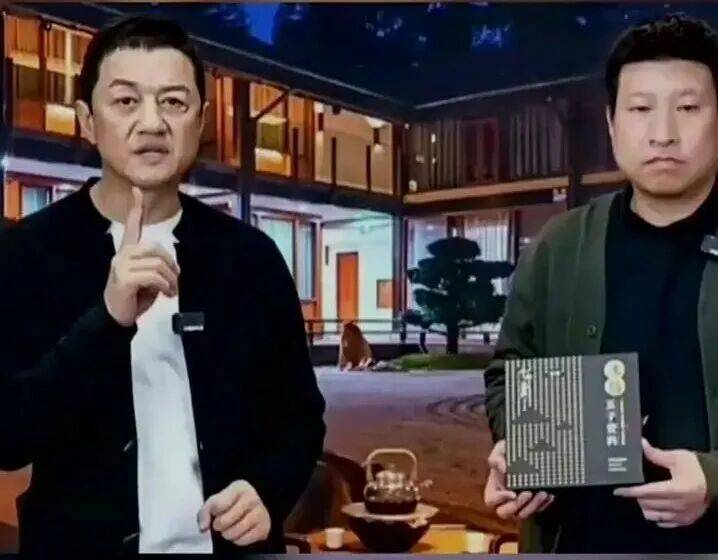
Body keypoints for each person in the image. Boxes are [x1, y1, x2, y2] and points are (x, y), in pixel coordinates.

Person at [0, 15, 325, 557]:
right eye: (126, 101)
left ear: (201, 121)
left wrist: (268, 489)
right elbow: (9, 437)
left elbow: (299, 416)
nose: (151, 123)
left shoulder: (250, 258)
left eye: (174, 102)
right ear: (87, 120)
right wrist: (106, 320)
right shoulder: (26, 253)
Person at [484, 14, 718, 553]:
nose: (663, 133)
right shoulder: (561, 245)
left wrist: (713, 480)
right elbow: (509, 370)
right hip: (581, 540)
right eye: (640, 109)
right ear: (612, 125)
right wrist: (519, 448)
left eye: (687, 108)